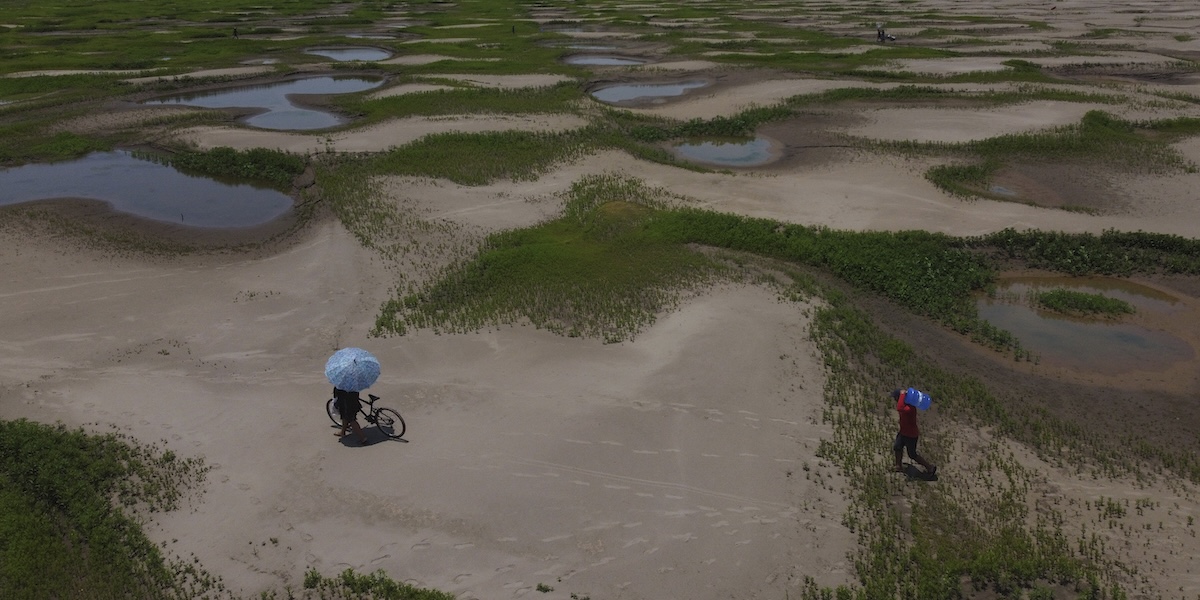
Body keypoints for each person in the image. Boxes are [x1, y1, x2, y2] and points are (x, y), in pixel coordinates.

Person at [892, 388, 935, 475]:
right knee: (897, 447)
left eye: (896, 398)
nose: (894, 399)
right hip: (903, 432)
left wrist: (903, 394)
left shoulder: (909, 408)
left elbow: (900, 408)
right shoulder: (906, 406)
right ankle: (898, 466)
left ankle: (930, 467)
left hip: (911, 435)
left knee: (912, 454)